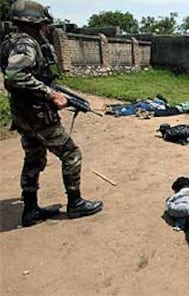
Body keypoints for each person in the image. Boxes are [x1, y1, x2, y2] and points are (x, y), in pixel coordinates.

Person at [0, 0, 103, 227]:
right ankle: (75, 204)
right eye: (45, 24)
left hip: (23, 114)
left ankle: (30, 209)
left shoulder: (11, 41)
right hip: (37, 114)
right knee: (71, 153)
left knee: (33, 158)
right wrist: (50, 94)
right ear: (34, 22)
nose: (48, 28)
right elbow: (14, 76)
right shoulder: (26, 44)